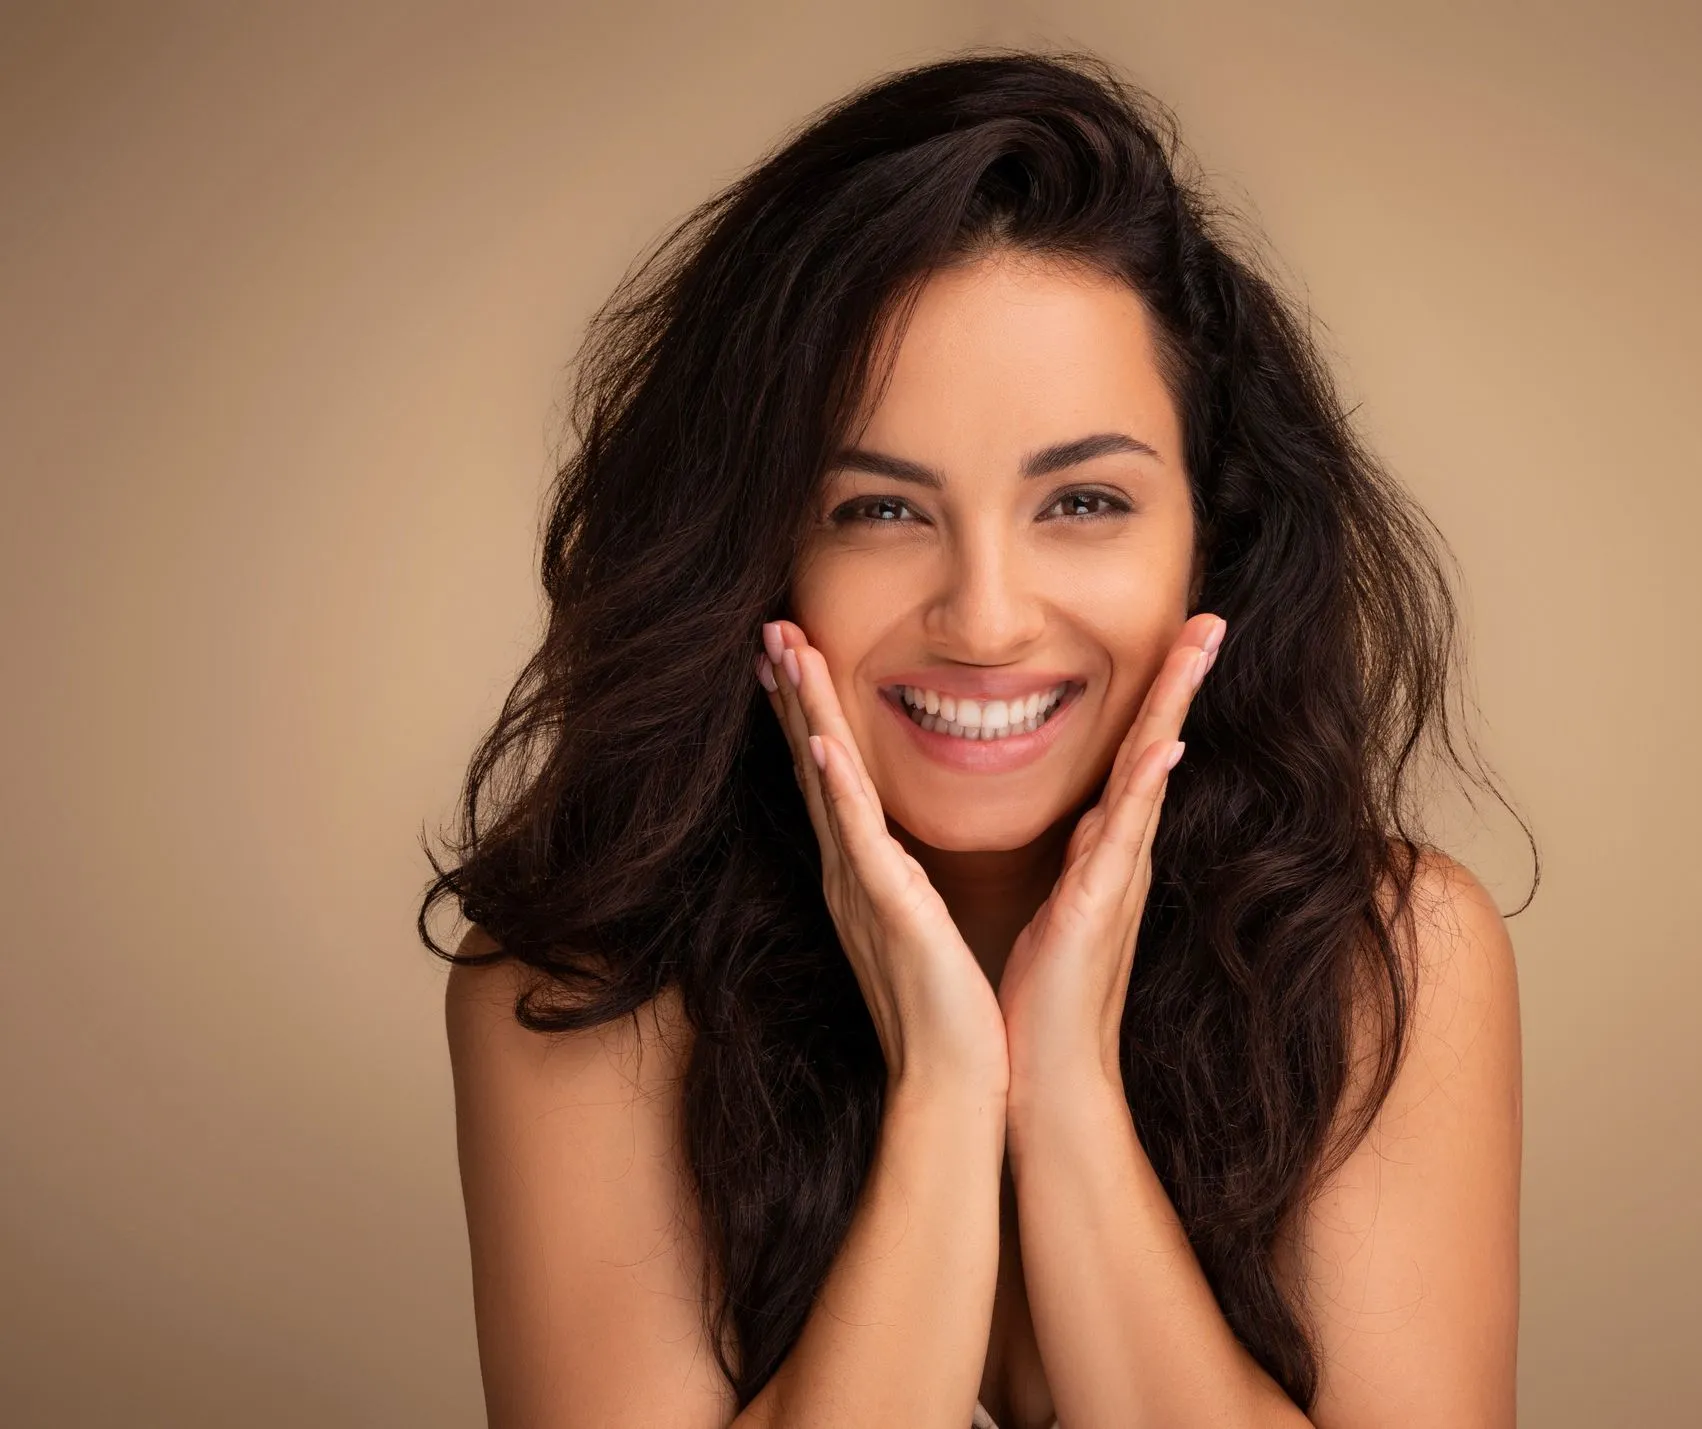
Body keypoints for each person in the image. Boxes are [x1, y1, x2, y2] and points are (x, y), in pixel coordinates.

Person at [423, 48, 1531, 1429]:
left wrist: (1065, 1100)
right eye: (877, 511)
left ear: (1215, 535)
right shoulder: (581, 990)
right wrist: (948, 1098)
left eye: (1082, 503)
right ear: (753, 554)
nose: (987, 620)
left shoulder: (1388, 956)